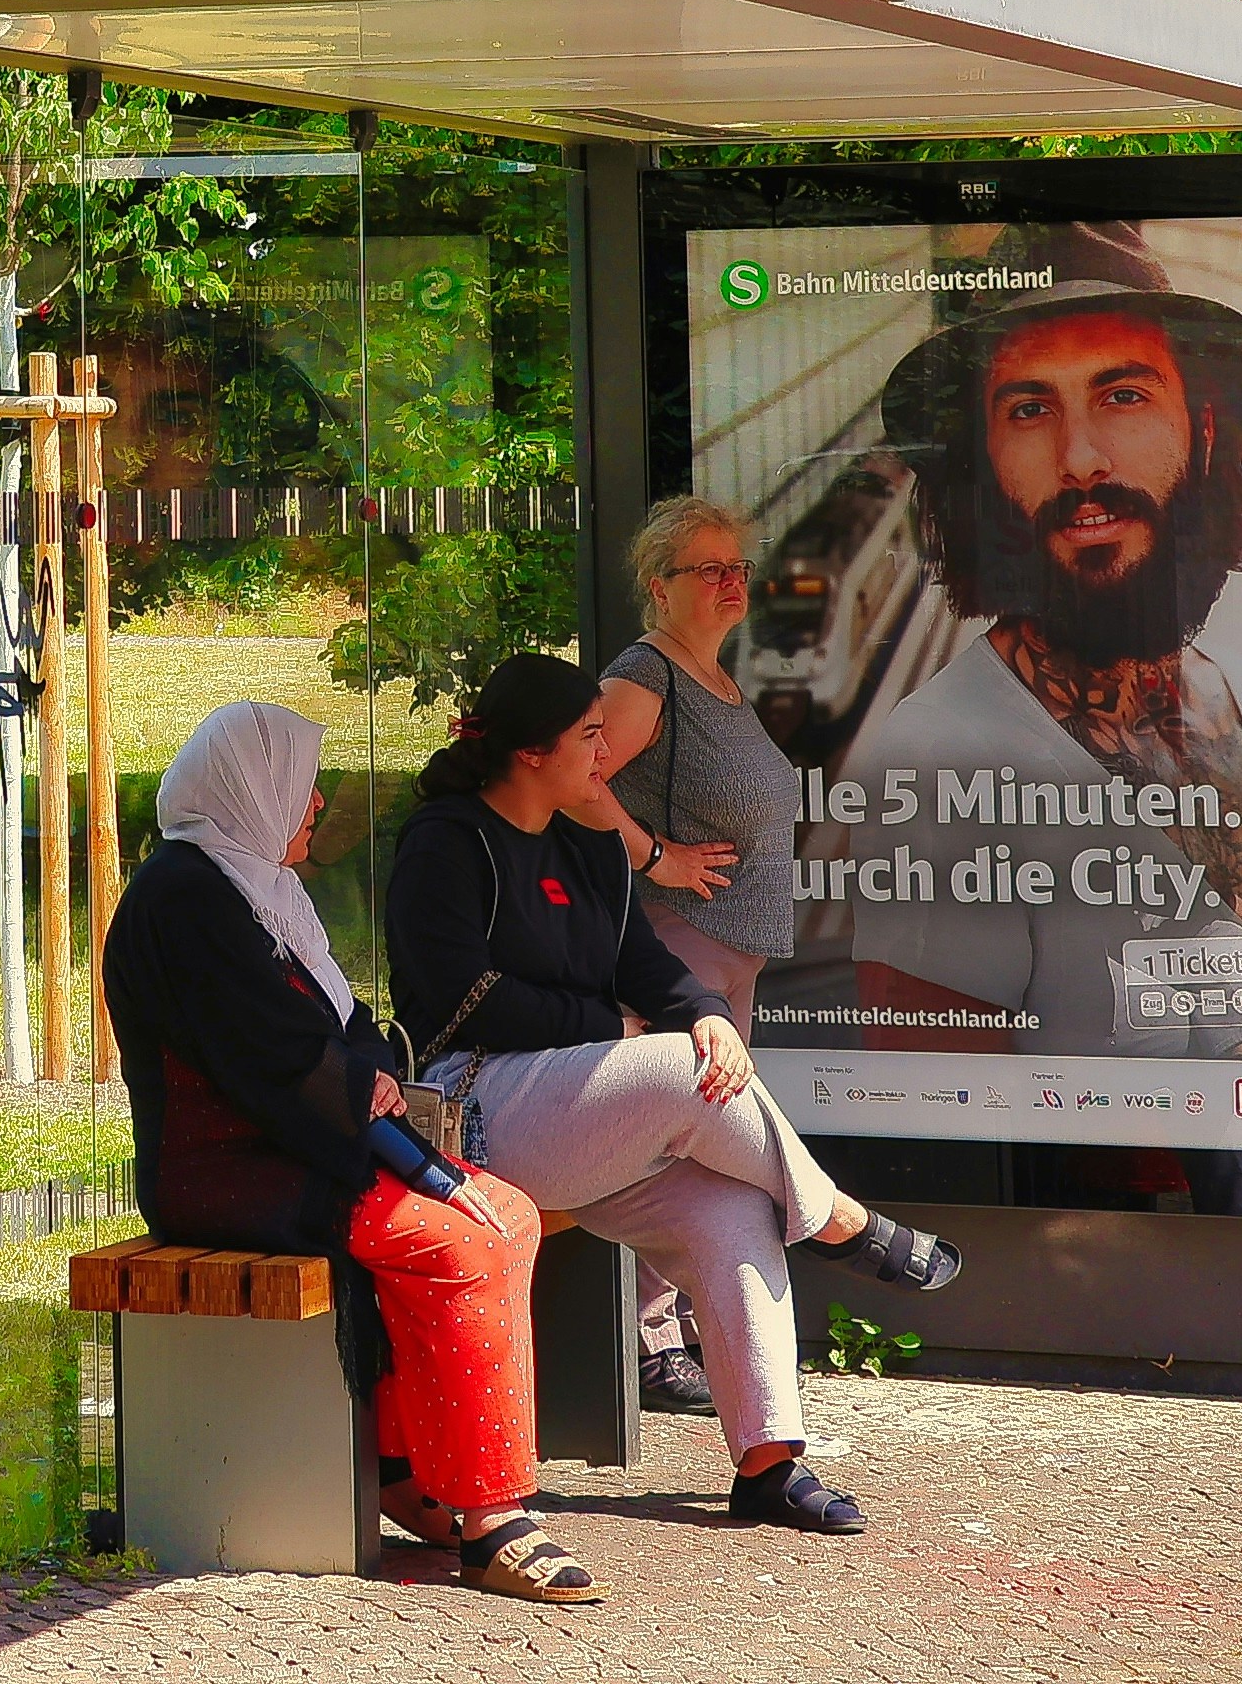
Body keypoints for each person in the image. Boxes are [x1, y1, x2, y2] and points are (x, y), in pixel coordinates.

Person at [383, 654, 960, 1538]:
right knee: (684, 1074)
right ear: (532, 753)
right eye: (587, 734)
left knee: (731, 1199)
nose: (606, 748)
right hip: (482, 1111)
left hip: (594, 1115)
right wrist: (618, 1031)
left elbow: (646, 968)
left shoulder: (587, 845)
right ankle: (839, 1218)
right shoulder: (446, 840)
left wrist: (703, 1014)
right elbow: (465, 995)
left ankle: (770, 1465)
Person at [843, 230, 1242, 1214]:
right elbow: (938, 1116)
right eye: (1028, 409)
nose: (1082, 457)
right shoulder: (939, 753)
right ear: (980, 466)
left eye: (1124, 394)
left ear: (1208, 428)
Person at [101, 701, 598, 1604]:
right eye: (298, 785)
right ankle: (489, 1518)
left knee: (512, 1215)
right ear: (249, 790)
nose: (317, 802)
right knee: (456, 1241)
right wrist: (386, 1128)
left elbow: (350, 1029)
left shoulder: (257, 888)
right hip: (227, 1169)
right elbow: (275, 1055)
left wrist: (364, 1083)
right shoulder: (184, 897)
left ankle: (413, 1473)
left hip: (300, 1146)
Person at [577, 494, 790, 1420]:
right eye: (709, 568)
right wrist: (654, 853)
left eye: (738, 566)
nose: (731, 581)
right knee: (673, 1144)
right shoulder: (645, 677)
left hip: (727, 955)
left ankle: (692, 1327)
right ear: (659, 587)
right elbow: (574, 773)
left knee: (714, 1146)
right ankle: (649, 1341)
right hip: (677, 951)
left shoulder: (713, 677)